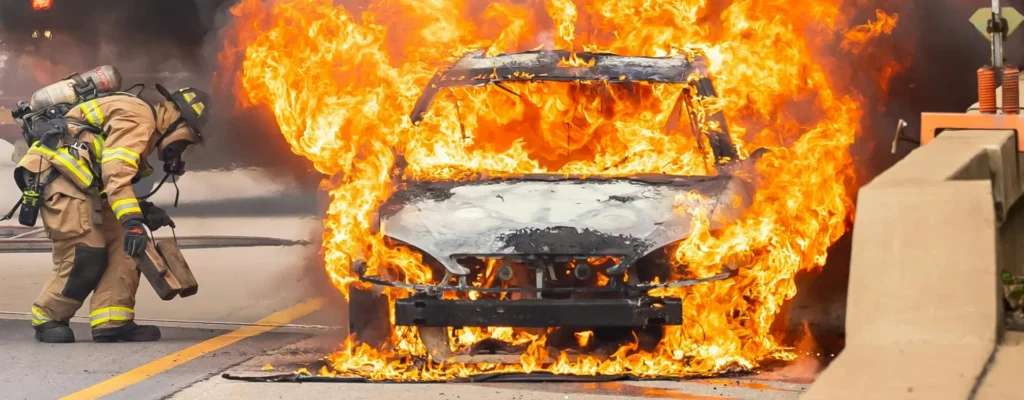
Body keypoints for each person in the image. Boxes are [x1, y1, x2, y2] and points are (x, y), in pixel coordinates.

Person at [14, 85, 210, 343]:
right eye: (188, 136)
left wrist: (140, 211)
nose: (184, 145)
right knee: (87, 249)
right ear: (174, 114)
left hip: (84, 183)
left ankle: (112, 320)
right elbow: (115, 172)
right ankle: (48, 316)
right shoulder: (140, 118)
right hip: (58, 176)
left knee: (127, 243)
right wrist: (133, 220)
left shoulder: (142, 122)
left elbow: (109, 177)